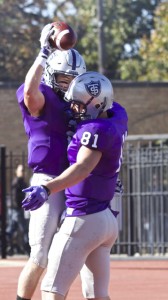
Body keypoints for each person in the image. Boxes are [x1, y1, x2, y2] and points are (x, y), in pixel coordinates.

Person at [22, 71, 128, 300]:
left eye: (78, 105)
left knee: (51, 290)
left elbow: (82, 168)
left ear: (95, 104)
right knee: (97, 295)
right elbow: (105, 97)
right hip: (106, 219)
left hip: (84, 217)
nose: (73, 109)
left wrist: (47, 188)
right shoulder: (118, 115)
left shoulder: (94, 131)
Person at [16, 22, 86, 300]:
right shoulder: (41, 95)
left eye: (72, 80)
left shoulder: (78, 102)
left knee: (67, 255)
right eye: (62, 78)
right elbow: (31, 92)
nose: (67, 85)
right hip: (47, 180)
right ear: (49, 73)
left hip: (75, 182)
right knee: (41, 254)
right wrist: (43, 53)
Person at [6, 164, 29, 255]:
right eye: (21, 170)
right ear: (16, 172)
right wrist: (19, 206)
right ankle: (26, 248)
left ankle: (7, 245)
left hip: (16, 208)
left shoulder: (22, 182)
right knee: (22, 229)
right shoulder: (17, 182)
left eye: (23, 170)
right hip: (16, 208)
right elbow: (14, 196)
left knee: (13, 228)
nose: (23, 172)